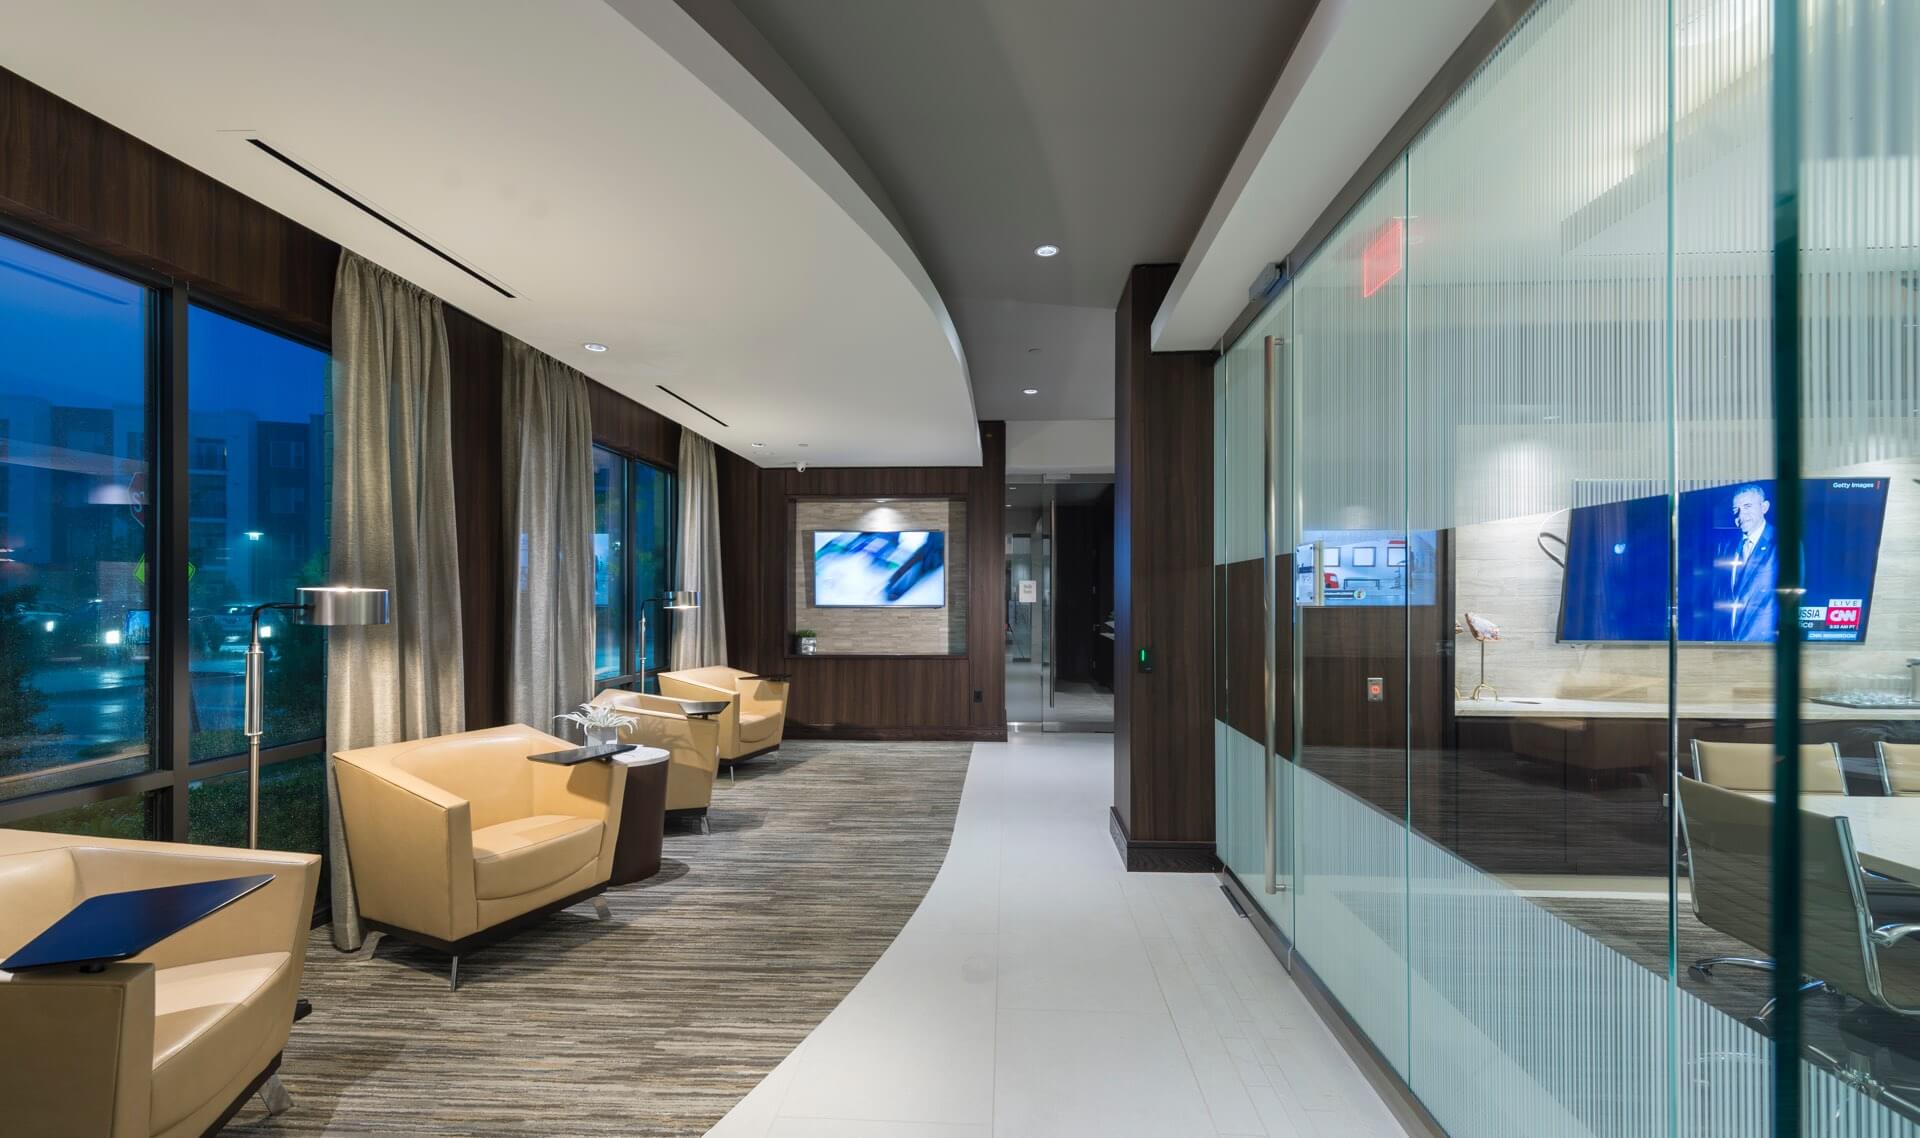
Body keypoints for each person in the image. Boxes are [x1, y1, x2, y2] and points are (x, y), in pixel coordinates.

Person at [1714, 484, 1777, 641]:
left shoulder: (1782, 544)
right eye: (1736, 509)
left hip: (1765, 646)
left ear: (1764, 507)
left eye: (1748, 506)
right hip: (1731, 644)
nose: (1741, 515)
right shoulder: (1727, 547)